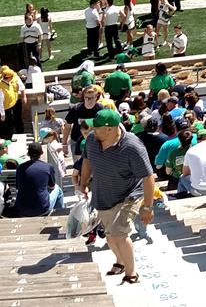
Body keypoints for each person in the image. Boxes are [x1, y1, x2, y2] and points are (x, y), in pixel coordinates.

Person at [76, 108, 157, 285]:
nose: (92, 131)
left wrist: (148, 207)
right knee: (110, 235)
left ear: (110, 129)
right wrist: (83, 182)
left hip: (128, 195)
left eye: (96, 128)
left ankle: (131, 274)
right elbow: (87, 160)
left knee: (119, 234)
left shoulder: (132, 146)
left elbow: (148, 176)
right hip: (103, 194)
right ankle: (120, 262)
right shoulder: (92, 139)